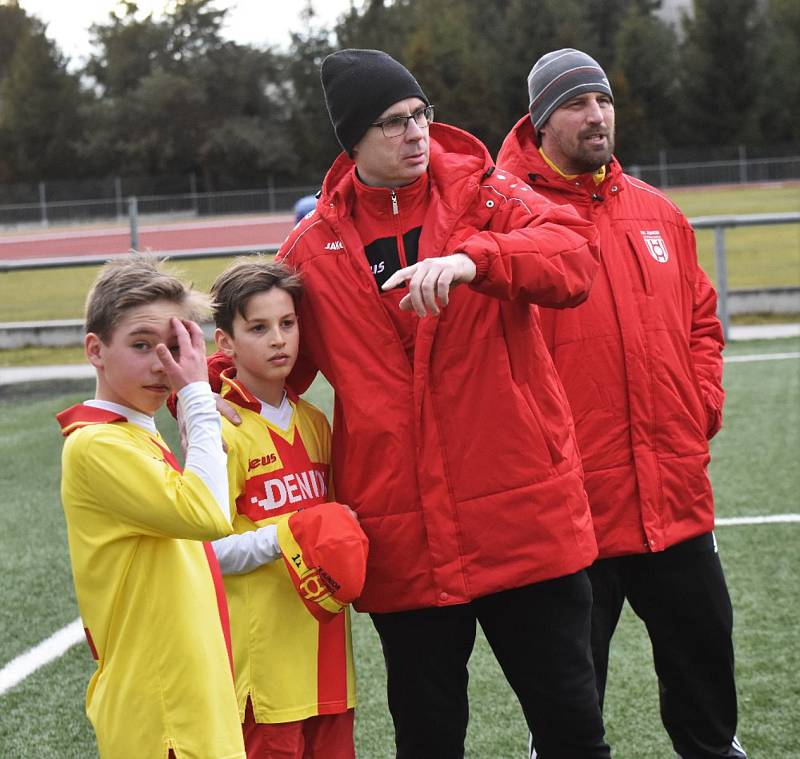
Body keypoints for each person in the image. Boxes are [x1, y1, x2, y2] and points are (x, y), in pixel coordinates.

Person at [265, 48, 612, 759]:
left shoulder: (489, 196)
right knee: (427, 740)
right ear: (352, 140)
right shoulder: (311, 250)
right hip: (405, 542)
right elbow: (270, 360)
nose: (416, 132)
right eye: (393, 122)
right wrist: (182, 383)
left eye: (421, 115)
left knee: (573, 731)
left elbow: (573, 259)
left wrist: (476, 258)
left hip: (525, 524)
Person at [497, 48, 746, 759]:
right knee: (571, 712)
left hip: (675, 494)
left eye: (602, 100)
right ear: (542, 121)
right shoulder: (510, 215)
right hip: (570, 510)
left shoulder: (658, 214)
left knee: (707, 688)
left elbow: (702, 319)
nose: (596, 114)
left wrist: (701, 406)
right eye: (576, 103)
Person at [56, 257, 244, 759]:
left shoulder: (135, 434)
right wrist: (198, 398)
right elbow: (207, 515)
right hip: (163, 715)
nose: (164, 364)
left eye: (176, 346)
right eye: (142, 345)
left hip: (189, 705)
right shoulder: (96, 445)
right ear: (95, 350)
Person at [206, 258, 366, 758]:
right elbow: (205, 552)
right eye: (259, 328)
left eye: (288, 324)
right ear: (225, 344)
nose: (279, 339)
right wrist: (285, 537)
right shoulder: (220, 430)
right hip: (263, 678)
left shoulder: (316, 420)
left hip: (328, 664)